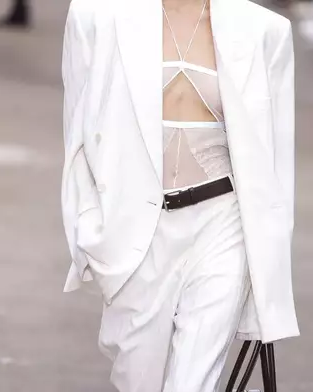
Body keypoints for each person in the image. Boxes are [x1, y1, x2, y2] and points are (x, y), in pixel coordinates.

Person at [60, 0, 298, 390]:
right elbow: (77, 134)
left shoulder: (264, 30)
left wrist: (268, 268)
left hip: (223, 221)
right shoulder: (96, 16)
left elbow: (276, 162)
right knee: (137, 379)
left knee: (192, 381)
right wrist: (87, 226)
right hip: (134, 226)